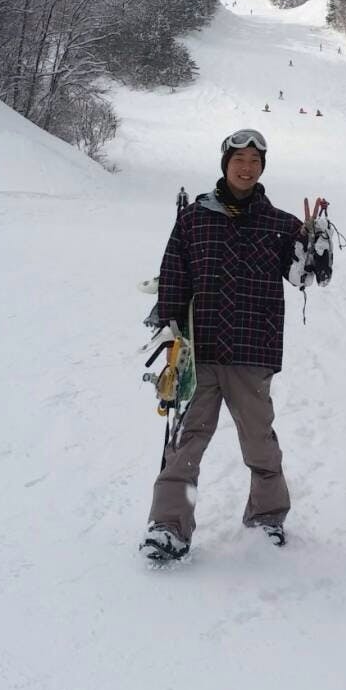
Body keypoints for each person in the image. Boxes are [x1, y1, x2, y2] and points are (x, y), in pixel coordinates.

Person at [140, 129, 331, 564]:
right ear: (225, 164)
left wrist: (315, 249)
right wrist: (171, 331)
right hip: (199, 350)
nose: (246, 168)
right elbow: (174, 273)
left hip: (252, 348)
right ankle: (169, 526)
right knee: (186, 442)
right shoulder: (193, 218)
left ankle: (266, 518)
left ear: (262, 168)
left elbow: (301, 276)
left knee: (259, 441)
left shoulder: (281, 224)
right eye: (239, 159)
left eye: (255, 161)